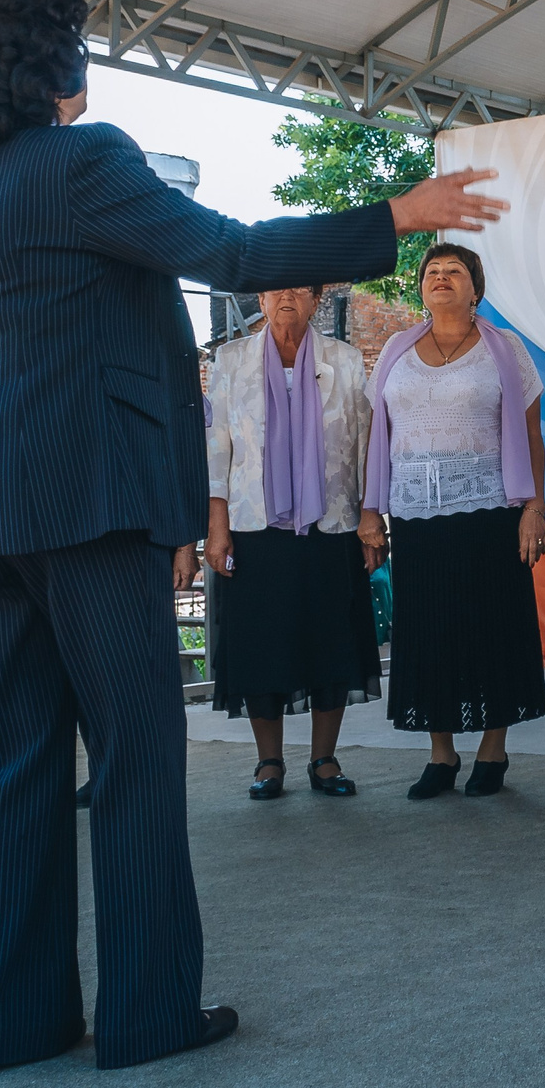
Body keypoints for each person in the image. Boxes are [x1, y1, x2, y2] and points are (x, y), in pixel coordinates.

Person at [0, 0, 503, 1075]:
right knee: (132, 751)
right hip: (89, 493)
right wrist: (392, 218)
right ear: (56, 65)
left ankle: (8, 1023)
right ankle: (143, 1013)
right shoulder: (85, 160)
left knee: (24, 756)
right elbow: (229, 253)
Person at [357, 244, 545, 801]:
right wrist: (371, 511)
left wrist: (533, 509)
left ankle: (493, 747)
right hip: (415, 517)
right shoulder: (395, 349)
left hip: (490, 510)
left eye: (454, 272)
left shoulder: (505, 349)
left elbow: (532, 436)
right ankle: (441, 753)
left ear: (475, 288)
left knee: (492, 625)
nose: (440, 278)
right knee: (426, 630)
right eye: (431, 272)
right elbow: (377, 435)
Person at [203, 286, 380, 800]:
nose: (288, 297)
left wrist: (372, 517)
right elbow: (216, 450)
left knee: (332, 641)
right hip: (254, 529)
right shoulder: (231, 360)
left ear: (316, 300)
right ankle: (269, 762)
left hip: (333, 524)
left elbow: (367, 443)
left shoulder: (343, 359)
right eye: (277, 288)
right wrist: (216, 526)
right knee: (261, 645)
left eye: (301, 289)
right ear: (261, 299)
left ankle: (324, 759)